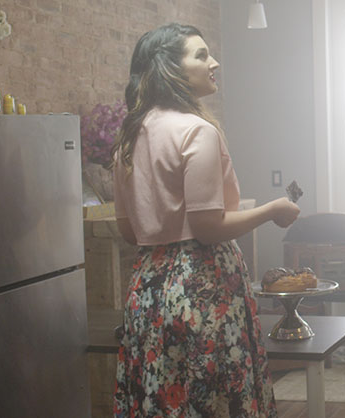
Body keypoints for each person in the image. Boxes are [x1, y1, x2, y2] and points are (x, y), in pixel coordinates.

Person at [110, 23, 299, 418]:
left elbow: (130, 231)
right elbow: (208, 227)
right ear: (169, 68)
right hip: (202, 285)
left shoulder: (128, 137)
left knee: (161, 394)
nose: (213, 62)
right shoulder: (197, 130)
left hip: (148, 286)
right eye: (200, 55)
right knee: (211, 394)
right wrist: (272, 210)